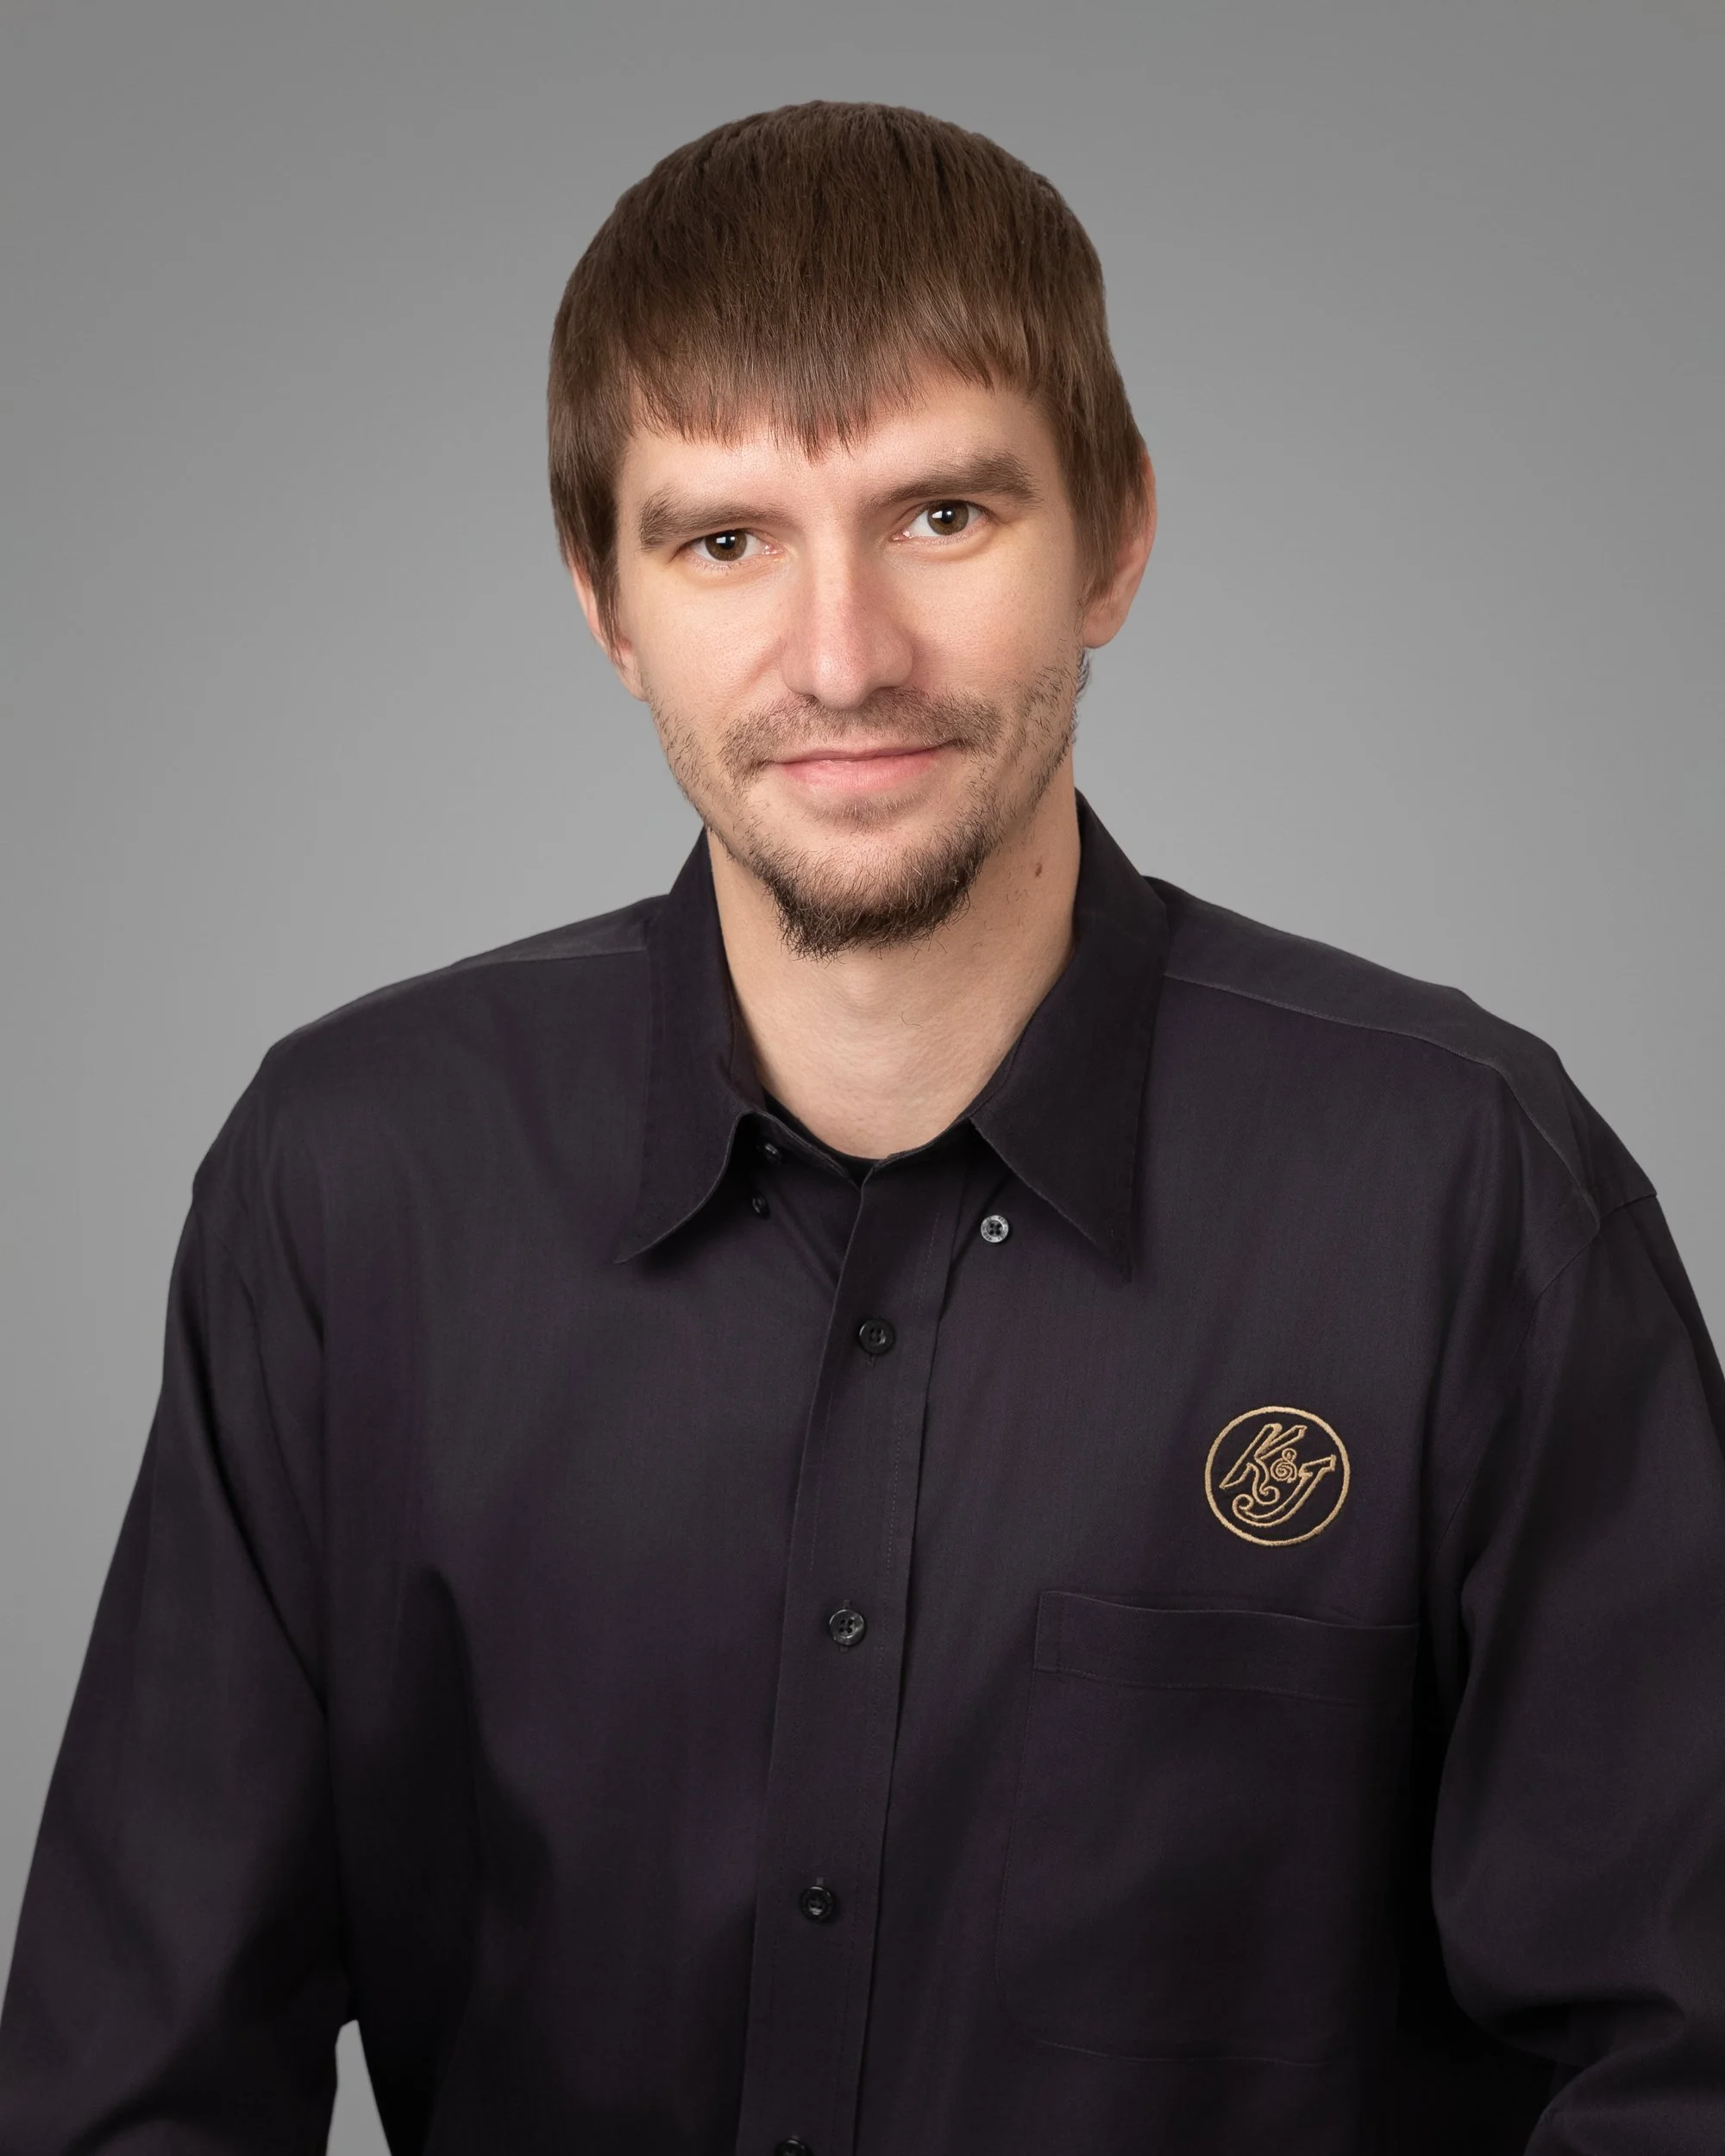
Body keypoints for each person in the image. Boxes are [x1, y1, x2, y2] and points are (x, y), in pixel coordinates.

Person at [2, 98, 1722, 2156]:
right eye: (725, 540)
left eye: (939, 516)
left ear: (1116, 537)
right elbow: (134, 2096)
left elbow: (1679, 2064)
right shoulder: (348, 1187)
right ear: (603, 599)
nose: (841, 658)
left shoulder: (1466, 1194)